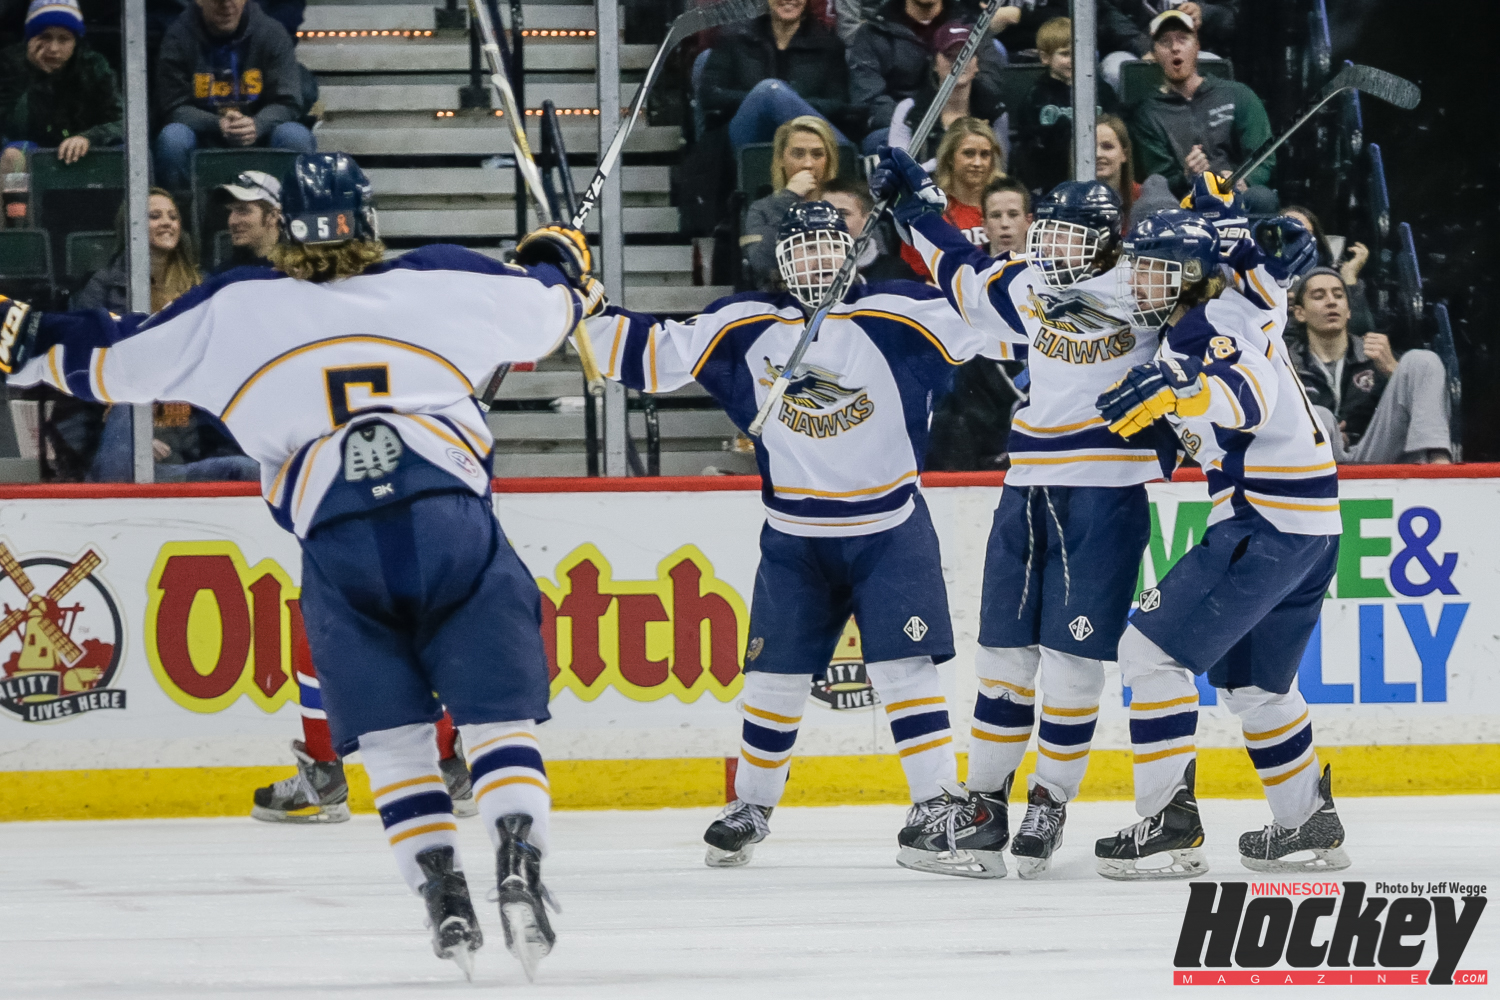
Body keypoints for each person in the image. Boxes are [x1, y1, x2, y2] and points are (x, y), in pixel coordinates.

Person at [2, 152, 593, 979]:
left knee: (394, 744)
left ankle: (442, 896)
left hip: (339, 542)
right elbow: (555, 308)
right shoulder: (442, 279)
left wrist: (25, 336)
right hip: (453, 526)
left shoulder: (235, 306)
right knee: (499, 725)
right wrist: (558, 262)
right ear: (369, 218)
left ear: (285, 227)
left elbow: (103, 356)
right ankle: (519, 862)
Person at [581, 200, 1012, 878]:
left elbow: (997, 314)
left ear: (852, 250)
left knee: (905, 670)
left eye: (827, 245)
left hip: (889, 528)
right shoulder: (742, 324)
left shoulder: (903, 311)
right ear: (779, 261)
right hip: (795, 539)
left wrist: (942, 226)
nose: (816, 260)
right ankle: (751, 805)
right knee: (774, 678)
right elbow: (647, 353)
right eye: (801, 248)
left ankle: (934, 803)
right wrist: (580, 301)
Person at [878, 146, 1163, 876]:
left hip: (1107, 492)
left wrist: (1227, 231)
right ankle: (983, 806)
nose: (1053, 247)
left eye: (1070, 235)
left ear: (1105, 238)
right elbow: (963, 275)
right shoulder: (1033, 282)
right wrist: (920, 209)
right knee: (1003, 656)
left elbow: (1219, 308)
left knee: (1074, 660)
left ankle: (1050, 800)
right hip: (1027, 486)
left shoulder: (1148, 284)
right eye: (1050, 232)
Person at [1089, 209, 1351, 879]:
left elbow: (1249, 396)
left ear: (1186, 275)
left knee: (1146, 652)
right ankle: (1305, 822)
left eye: (1151, 269)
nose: (1136, 281)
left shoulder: (1206, 329)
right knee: (1257, 686)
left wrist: (1184, 390)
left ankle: (1168, 824)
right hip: (1311, 531)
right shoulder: (1239, 304)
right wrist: (1226, 219)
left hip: (1264, 526)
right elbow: (1270, 270)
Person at [1286, 268, 1452, 464]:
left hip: (1373, 453)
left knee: (1422, 360)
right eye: (1319, 296)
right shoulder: (1286, 363)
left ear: (1348, 311)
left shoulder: (1377, 354)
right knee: (1320, 417)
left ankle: (1438, 467)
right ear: (1300, 313)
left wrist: (1391, 369)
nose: (1331, 302)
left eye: (1338, 295)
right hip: (1314, 463)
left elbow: (1405, 413)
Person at [154, 0, 315, 191]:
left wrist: (258, 124)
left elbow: (288, 101)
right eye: (218, 0)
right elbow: (173, 106)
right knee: (173, 138)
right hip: (204, 136)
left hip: (261, 134)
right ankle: (179, 207)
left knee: (295, 136)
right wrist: (217, 124)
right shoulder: (178, 37)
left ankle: (292, 208)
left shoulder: (272, 33)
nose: (227, 5)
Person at [1130, 10, 1276, 212]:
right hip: (1183, 203)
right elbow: (1157, 179)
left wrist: (1244, 180)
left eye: (1183, 39)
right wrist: (1186, 176)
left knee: (1262, 198)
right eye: (1165, 42)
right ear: (1154, 54)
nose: (1175, 48)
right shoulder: (1147, 113)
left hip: (1237, 195)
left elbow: (1264, 156)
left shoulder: (1237, 94)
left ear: (1197, 46)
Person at [0, 0, 122, 226]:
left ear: (76, 41)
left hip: (87, 149)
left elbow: (123, 122)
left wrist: (88, 137)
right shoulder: (9, 63)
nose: (54, 48)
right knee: (13, 156)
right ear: (30, 38)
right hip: (32, 148)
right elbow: (13, 127)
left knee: (128, 152)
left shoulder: (95, 66)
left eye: (64, 39)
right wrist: (35, 78)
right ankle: (18, 234)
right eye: (45, 37)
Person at [848, 0, 1008, 152]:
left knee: (985, 136)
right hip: (901, 121)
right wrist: (912, 121)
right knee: (881, 141)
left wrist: (952, 124)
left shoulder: (970, 25)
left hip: (962, 119)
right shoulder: (874, 31)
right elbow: (869, 98)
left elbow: (989, 83)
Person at [699, 0, 860, 148]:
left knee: (772, 93)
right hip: (744, 139)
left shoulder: (828, 45)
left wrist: (786, 103)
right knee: (768, 91)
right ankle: (845, 157)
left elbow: (838, 104)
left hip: (804, 139)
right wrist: (761, 101)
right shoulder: (735, 37)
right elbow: (710, 94)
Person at [1010, 17, 1119, 198]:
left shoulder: (1102, 91)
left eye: (1079, 52)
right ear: (1045, 57)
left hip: (1097, 176)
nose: (1073, 60)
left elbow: (1117, 128)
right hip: (1052, 182)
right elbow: (1030, 149)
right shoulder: (1035, 97)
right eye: (1066, 54)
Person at [886, 22, 1006, 169]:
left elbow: (999, 171)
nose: (959, 62)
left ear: (977, 63)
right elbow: (898, 172)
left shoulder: (994, 111)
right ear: (935, 64)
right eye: (950, 55)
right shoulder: (909, 110)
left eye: (967, 54)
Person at [741, 115, 840, 290]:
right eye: (798, 154)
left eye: (817, 154)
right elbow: (761, 263)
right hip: (781, 298)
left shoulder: (846, 204)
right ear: (780, 159)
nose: (808, 164)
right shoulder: (762, 209)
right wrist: (789, 199)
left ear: (829, 160)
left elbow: (871, 256)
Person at [898, 116, 1003, 279]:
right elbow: (915, 276)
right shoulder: (928, 214)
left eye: (985, 155)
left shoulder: (1007, 207)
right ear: (949, 158)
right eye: (968, 153)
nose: (977, 163)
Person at [1099, 0, 1238, 95]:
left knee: (1213, 66)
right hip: (1131, 48)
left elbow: (1231, 15)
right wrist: (1145, 47)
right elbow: (1105, 12)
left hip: (1192, 49)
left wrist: (1203, 12)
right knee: (1114, 71)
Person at [1282, 204, 1374, 338]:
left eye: (1306, 233)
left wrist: (1349, 278)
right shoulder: (1257, 277)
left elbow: (1359, 330)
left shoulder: (1329, 280)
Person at [821, 175, 919, 282]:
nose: (832, 223)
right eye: (825, 214)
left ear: (868, 220)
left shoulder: (897, 274)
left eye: (843, 215)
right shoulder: (809, 271)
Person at [215, 168, 282, 268]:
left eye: (243, 210)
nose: (232, 221)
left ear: (273, 215)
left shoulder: (300, 272)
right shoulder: (223, 275)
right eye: (229, 212)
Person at [1096, 113, 1137, 228]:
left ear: (1124, 154)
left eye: (1107, 146)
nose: (1098, 154)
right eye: (1089, 147)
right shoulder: (1066, 201)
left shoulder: (1142, 197)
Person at [981, 175, 1030, 255]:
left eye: (1013, 215)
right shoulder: (971, 262)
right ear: (985, 225)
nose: (1004, 224)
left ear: (1028, 221)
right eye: (996, 216)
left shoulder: (1045, 262)